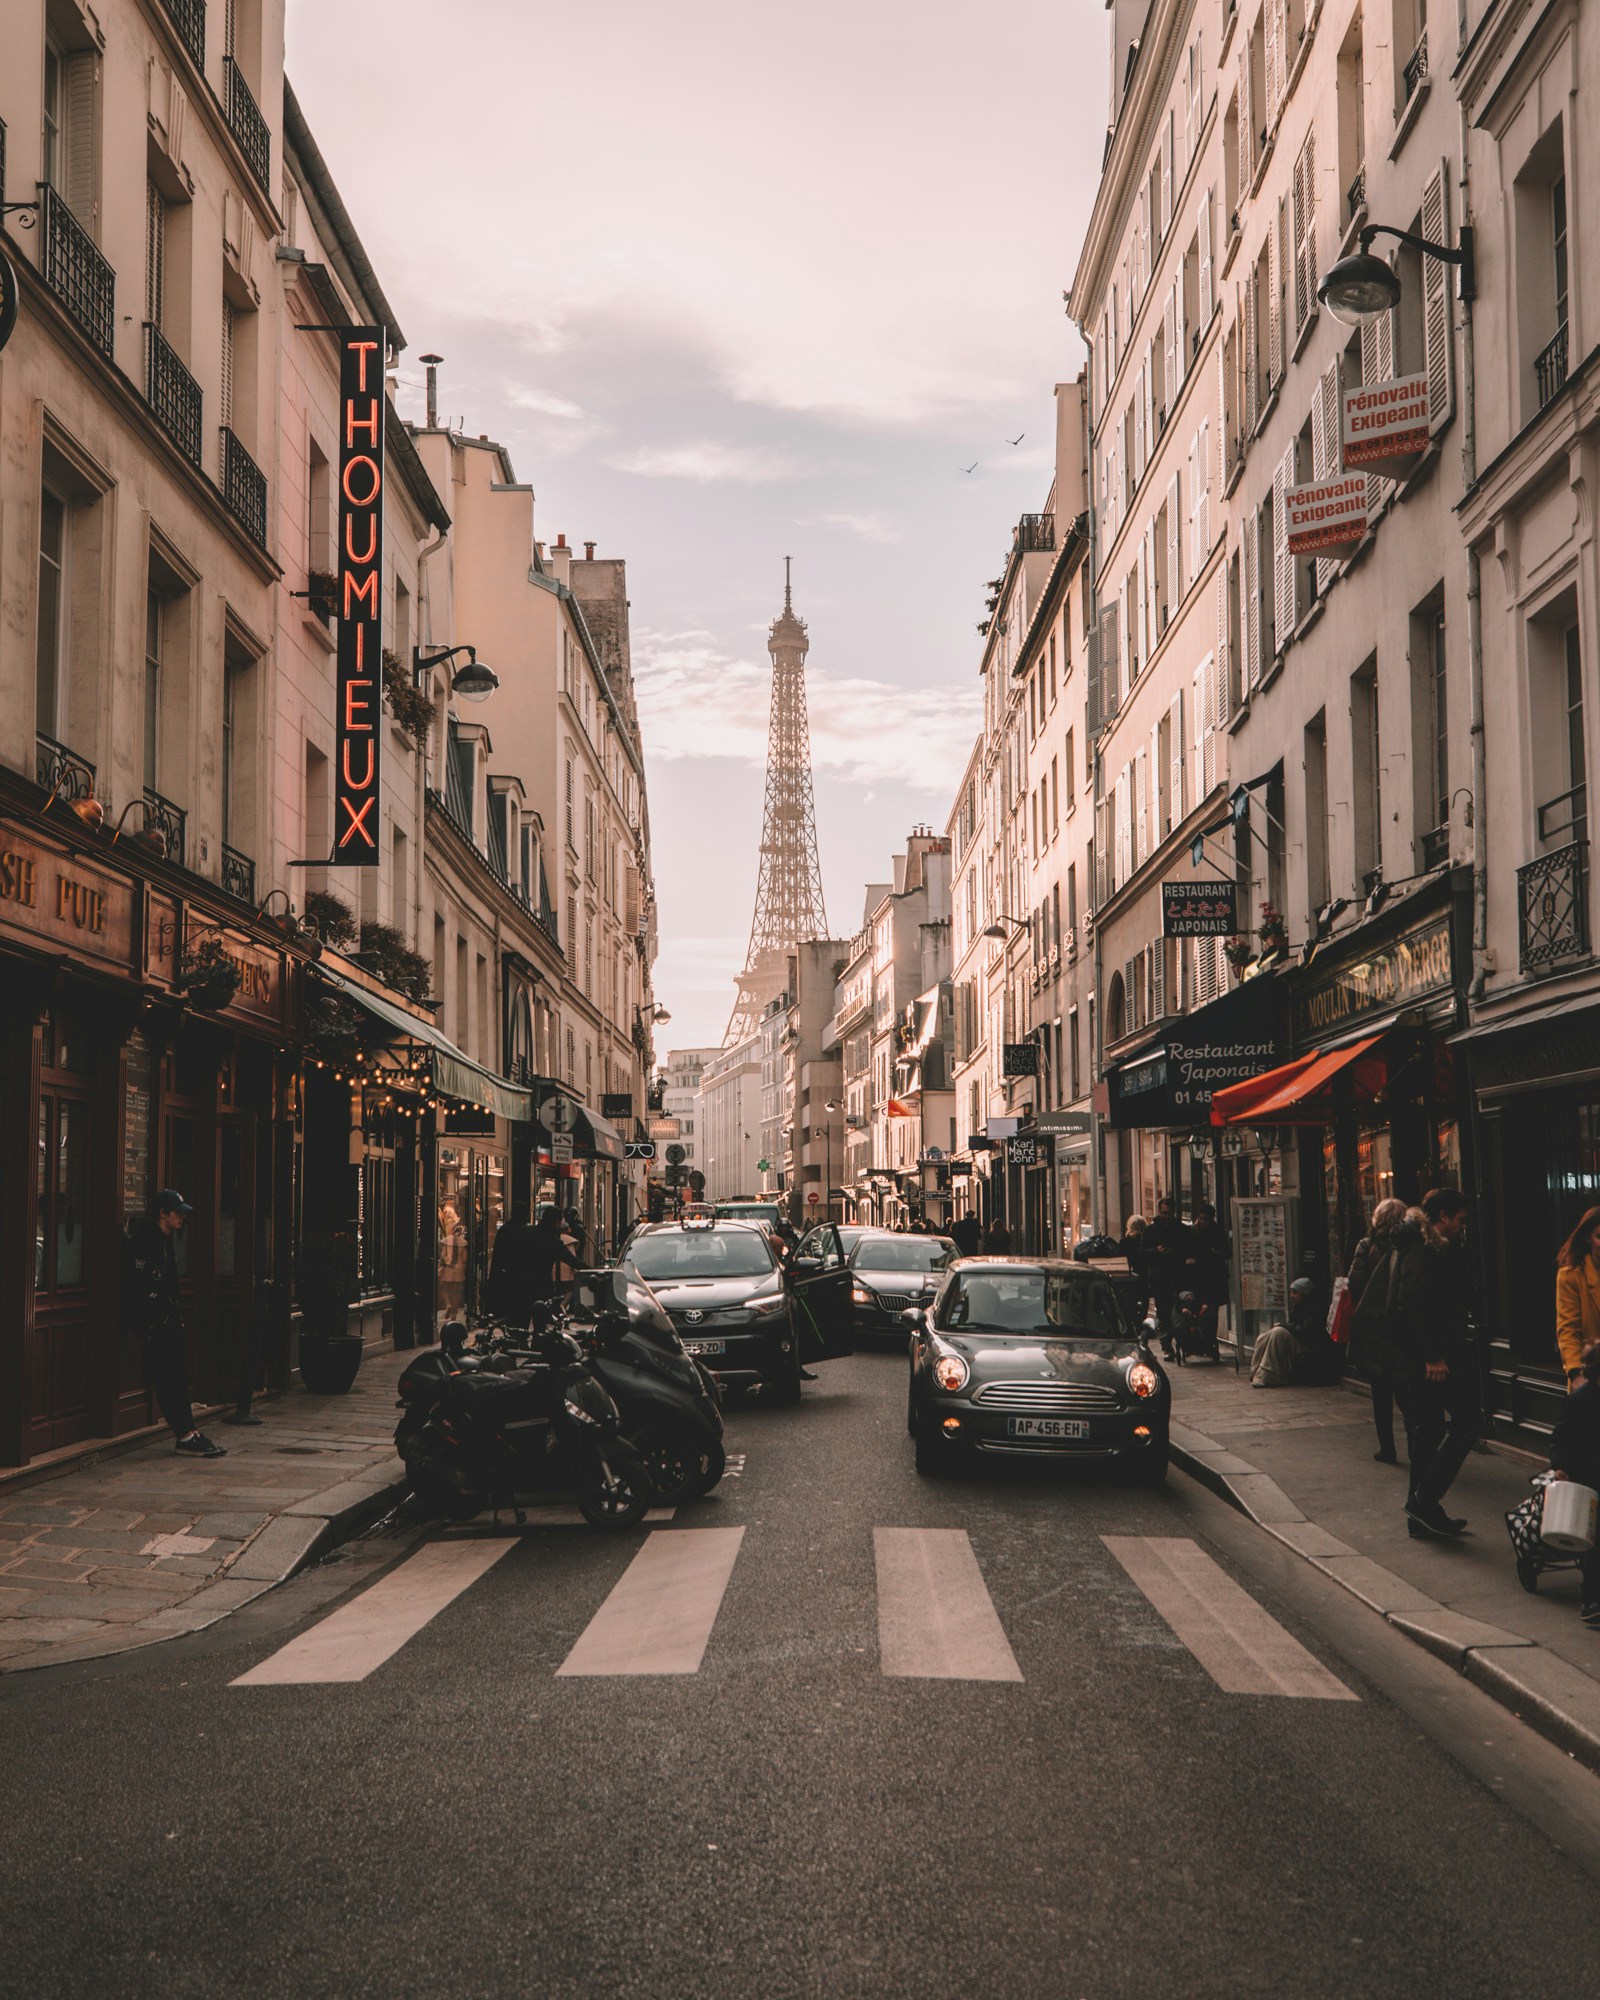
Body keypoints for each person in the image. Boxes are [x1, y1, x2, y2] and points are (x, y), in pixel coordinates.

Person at [1389, 1187, 1480, 1538]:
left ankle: (1422, 1512)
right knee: (1467, 1421)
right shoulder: (1421, 1249)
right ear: (1442, 1218)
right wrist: (1433, 1356)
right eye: (1459, 1219)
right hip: (1428, 1359)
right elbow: (1412, 1304)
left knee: (1428, 1431)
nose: (1462, 1226)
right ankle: (1424, 1500)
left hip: (1429, 1355)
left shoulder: (1424, 1245)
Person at [123, 1190, 226, 1458]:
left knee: (179, 1377)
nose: (182, 1216)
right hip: (157, 1324)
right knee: (168, 1379)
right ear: (162, 1213)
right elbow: (142, 1286)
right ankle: (184, 1434)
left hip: (169, 1322)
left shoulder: (165, 1239)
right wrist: (155, 1320)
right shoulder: (147, 1241)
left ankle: (189, 1431)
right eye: (177, 1212)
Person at [1346, 1196, 1410, 1463]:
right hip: (1401, 1325)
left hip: (1374, 1326)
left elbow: (1353, 1281)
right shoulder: (1410, 1244)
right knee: (1407, 1393)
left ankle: (1388, 1448)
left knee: (1380, 1393)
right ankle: (1417, 1443)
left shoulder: (1367, 1244)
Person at [1546, 1340, 1600, 1629]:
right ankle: (1592, 1599)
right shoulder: (1580, 1401)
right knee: (1596, 1544)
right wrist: (1561, 1466)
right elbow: (1561, 1438)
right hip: (1589, 1479)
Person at [1555, 1207, 1600, 1393]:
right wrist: (1576, 1374)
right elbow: (1568, 1329)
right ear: (1588, 1237)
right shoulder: (1571, 1275)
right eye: (1599, 1237)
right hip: (1590, 1376)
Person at [488, 1211, 548, 1329]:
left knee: (515, 1310)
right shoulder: (524, 1231)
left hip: (510, 1274)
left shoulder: (505, 1230)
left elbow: (499, 1253)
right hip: (520, 1276)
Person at [1142, 1197, 1192, 1334]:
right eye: (1164, 1213)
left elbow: (1189, 1250)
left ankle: (1179, 1341)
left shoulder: (1182, 1230)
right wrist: (1156, 1251)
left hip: (1178, 1277)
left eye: (1169, 1213)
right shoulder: (1150, 1231)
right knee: (1163, 1312)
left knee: (1179, 1310)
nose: (1167, 1216)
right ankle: (1167, 1345)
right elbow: (1142, 1254)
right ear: (1159, 1211)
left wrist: (1175, 1253)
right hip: (1160, 1278)